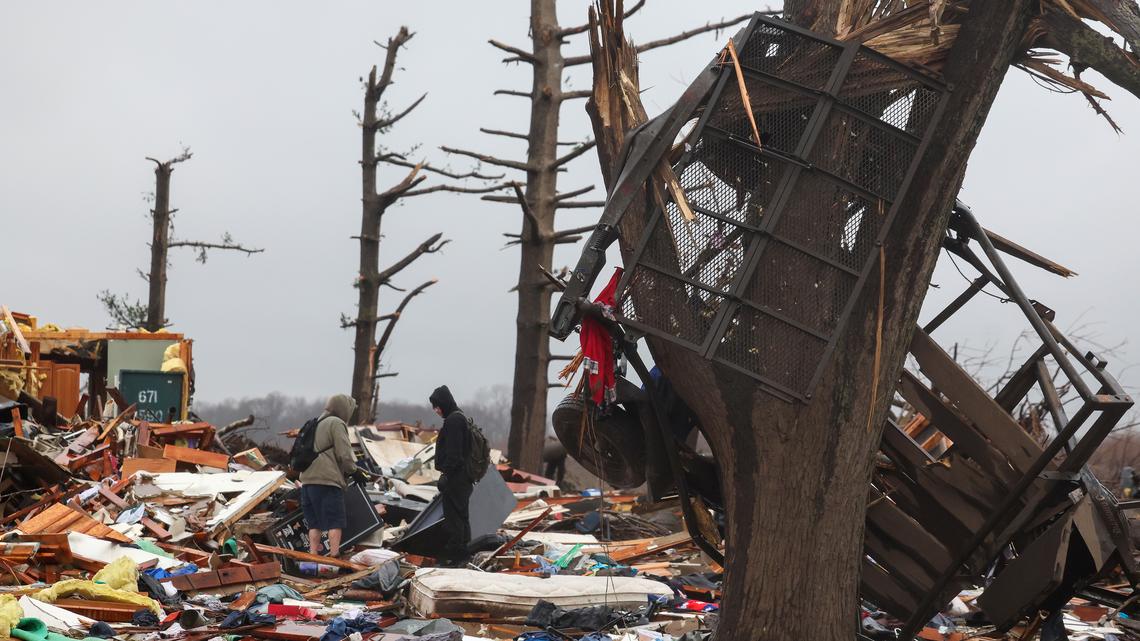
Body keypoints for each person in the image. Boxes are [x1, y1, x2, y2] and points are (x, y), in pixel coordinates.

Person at [299, 394, 358, 557]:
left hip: (307, 482)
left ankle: (313, 556)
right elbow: (344, 454)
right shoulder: (336, 423)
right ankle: (334, 556)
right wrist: (354, 471)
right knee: (335, 522)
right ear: (344, 408)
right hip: (327, 481)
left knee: (314, 524)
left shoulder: (314, 423)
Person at [430, 385, 473, 566]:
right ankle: (463, 554)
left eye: (437, 406)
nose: (436, 410)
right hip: (463, 478)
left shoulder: (454, 421)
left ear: (445, 403)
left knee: (454, 519)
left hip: (456, 479)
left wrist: (446, 475)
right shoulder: (459, 417)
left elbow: (454, 454)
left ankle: (457, 557)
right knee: (461, 516)